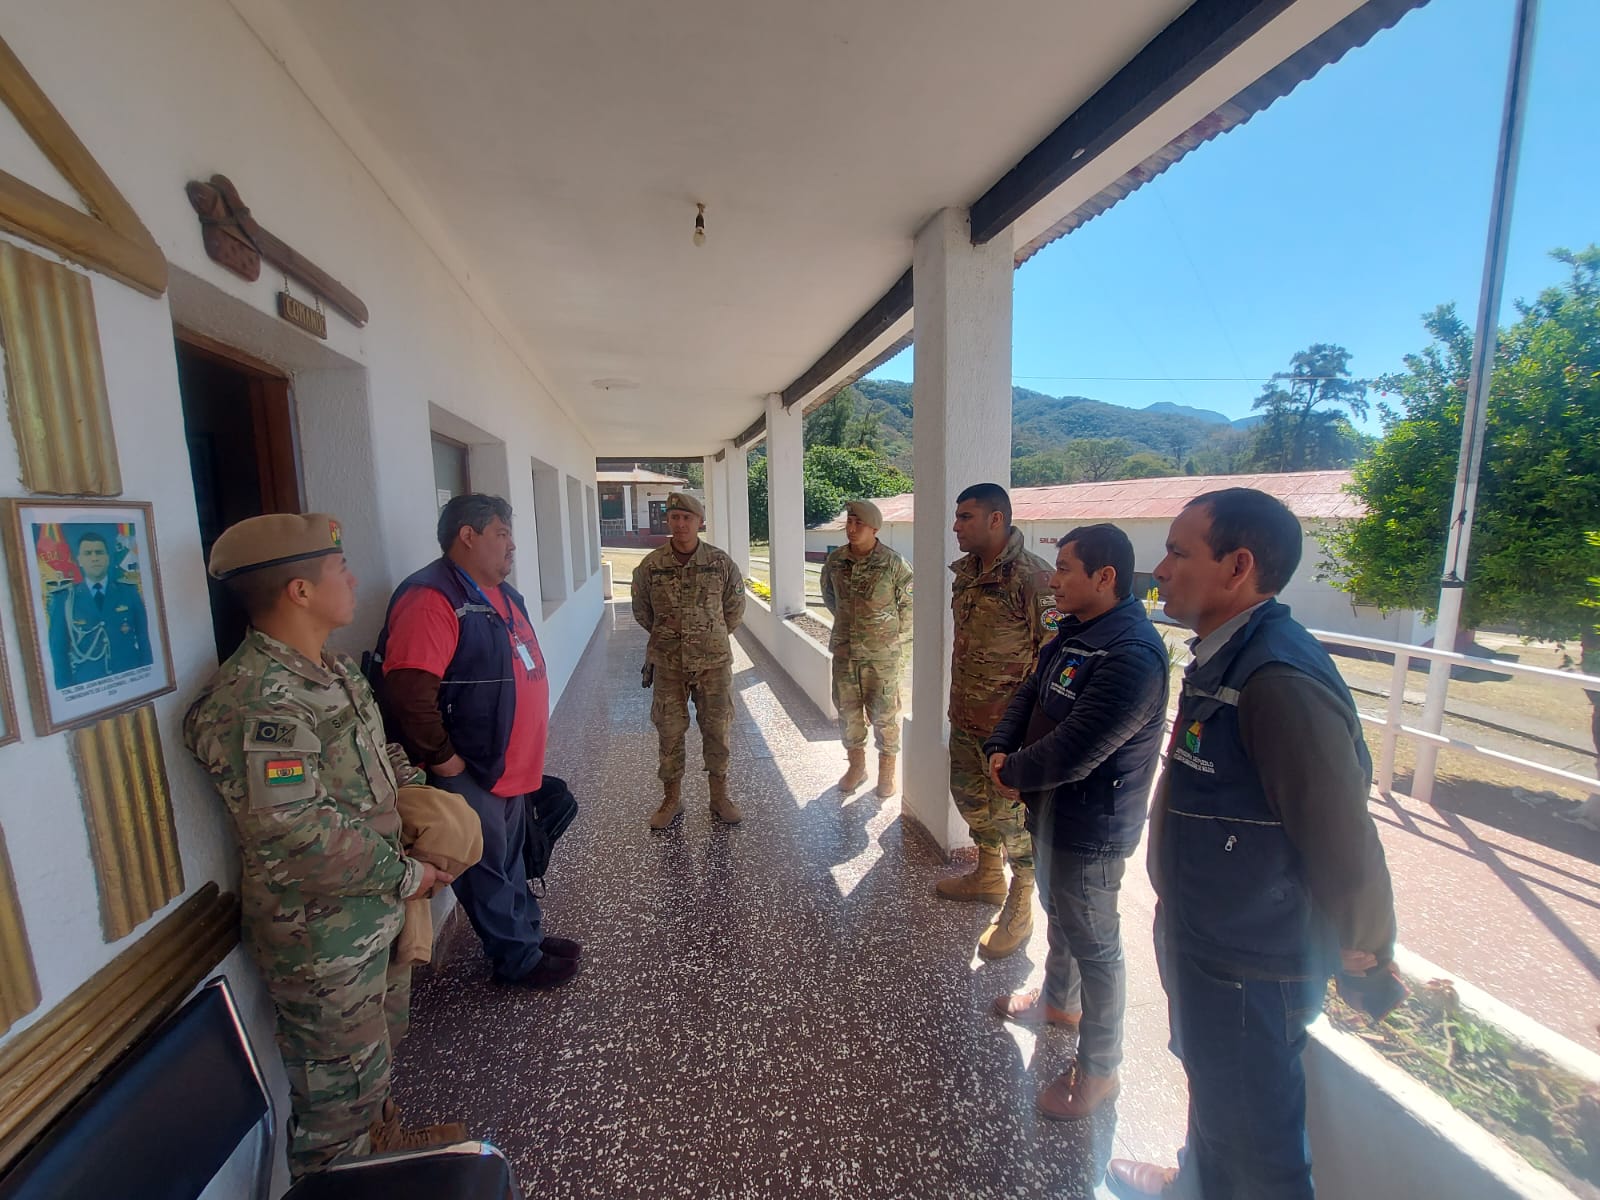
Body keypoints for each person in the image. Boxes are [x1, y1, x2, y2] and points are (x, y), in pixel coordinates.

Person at [1107, 488, 1397, 1200]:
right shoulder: (1228, 656)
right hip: (1213, 937)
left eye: (1178, 552)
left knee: (1261, 1149)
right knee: (1217, 1090)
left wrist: (1366, 954)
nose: (1160, 568)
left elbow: (1341, 837)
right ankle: (1195, 1180)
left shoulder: (1277, 680)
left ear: (1239, 566)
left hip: (1253, 961)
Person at [183, 513, 466, 1179]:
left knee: (376, 1061)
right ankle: (347, 1177)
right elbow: (296, 831)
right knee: (334, 1106)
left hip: (372, 917)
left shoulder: (333, 671)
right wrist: (407, 875)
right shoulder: (257, 699)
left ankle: (382, 1150)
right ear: (300, 592)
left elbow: (377, 755)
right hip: (321, 940)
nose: (354, 579)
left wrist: (426, 808)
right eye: (340, 569)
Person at [984, 523, 1169, 1120]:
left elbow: (1077, 747)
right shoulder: (1075, 632)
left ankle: (1099, 1070)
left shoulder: (1132, 654)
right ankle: (1060, 1002)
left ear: (1104, 576)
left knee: (1096, 944)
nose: (1054, 577)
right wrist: (1000, 746)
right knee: (1059, 911)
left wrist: (1013, 771)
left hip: (1092, 826)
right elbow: (1028, 694)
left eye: (1064, 567)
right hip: (1051, 810)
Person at [370, 493, 581, 990]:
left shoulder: (501, 594)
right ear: (468, 535)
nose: (513, 547)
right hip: (470, 766)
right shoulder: (431, 599)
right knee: (486, 866)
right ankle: (517, 961)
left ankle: (526, 935)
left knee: (511, 856)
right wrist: (447, 764)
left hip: (506, 761)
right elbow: (409, 696)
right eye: (502, 534)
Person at [939, 482, 1055, 960]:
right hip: (967, 716)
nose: (955, 526)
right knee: (970, 801)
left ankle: (1020, 904)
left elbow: (1052, 663)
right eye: (957, 516)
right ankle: (988, 876)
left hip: (1009, 731)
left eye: (966, 517)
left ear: (996, 519)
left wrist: (1028, 735)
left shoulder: (1033, 579)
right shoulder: (966, 573)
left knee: (1014, 823)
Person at [631, 491, 746, 829]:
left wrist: (706, 637)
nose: (680, 524)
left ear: (699, 522)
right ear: (668, 521)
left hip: (713, 665)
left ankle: (719, 796)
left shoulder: (720, 563)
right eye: (674, 518)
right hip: (668, 665)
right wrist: (671, 638)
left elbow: (734, 610)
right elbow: (642, 612)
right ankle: (671, 799)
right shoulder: (651, 566)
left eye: (687, 518)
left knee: (717, 729)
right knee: (669, 732)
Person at [820, 498, 913, 797]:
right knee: (848, 713)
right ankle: (856, 767)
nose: (851, 528)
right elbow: (830, 598)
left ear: (874, 528)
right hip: (846, 653)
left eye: (858, 523)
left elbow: (909, 608)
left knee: (885, 715)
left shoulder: (893, 563)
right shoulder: (836, 562)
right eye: (849, 522)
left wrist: (893, 644)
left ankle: (887, 773)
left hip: (882, 656)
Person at [47, 531, 152, 688]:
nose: (94, 558)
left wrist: (149, 677)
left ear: (108, 558)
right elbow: (58, 651)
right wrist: (66, 691)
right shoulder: (65, 599)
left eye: (99, 552)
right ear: (79, 560)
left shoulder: (128, 592)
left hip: (129, 679)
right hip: (89, 685)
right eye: (88, 553)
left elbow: (144, 638)